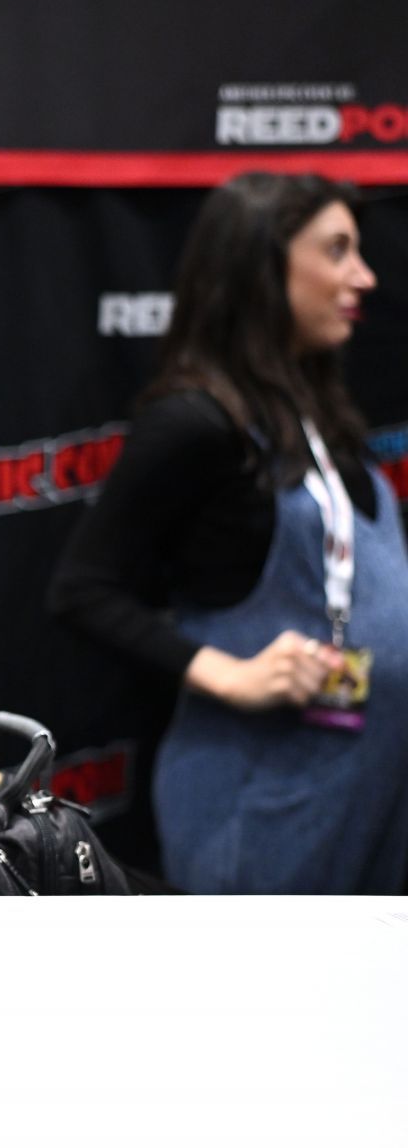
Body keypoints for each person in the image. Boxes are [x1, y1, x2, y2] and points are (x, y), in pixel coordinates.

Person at [49, 171, 407, 893]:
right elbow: (82, 589)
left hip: (368, 790)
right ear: (263, 264)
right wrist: (229, 673)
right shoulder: (197, 423)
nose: (363, 276)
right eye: (337, 250)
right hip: (266, 798)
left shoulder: (318, 412)